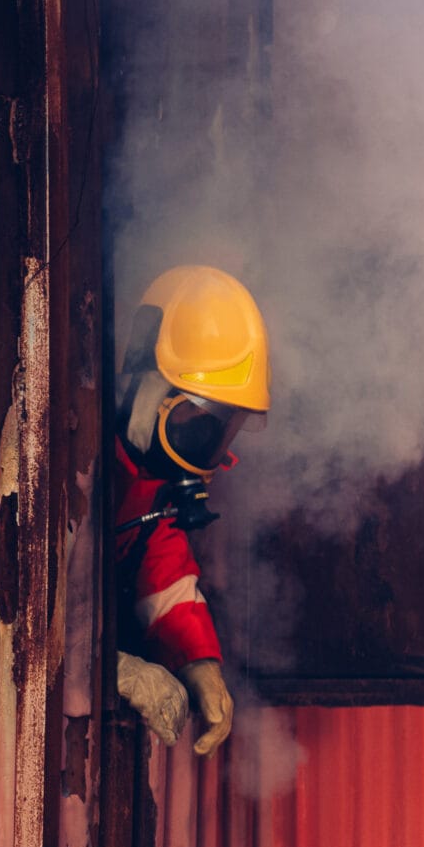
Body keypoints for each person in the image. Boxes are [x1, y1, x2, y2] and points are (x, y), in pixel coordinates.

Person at [110, 265, 270, 757]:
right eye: (194, 423)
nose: (208, 454)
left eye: (222, 430)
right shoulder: (70, 465)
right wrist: (107, 668)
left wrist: (199, 662)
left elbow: (159, 567)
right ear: (145, 389)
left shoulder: (144, 483)